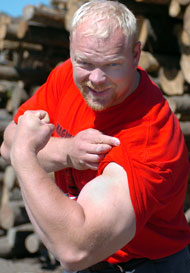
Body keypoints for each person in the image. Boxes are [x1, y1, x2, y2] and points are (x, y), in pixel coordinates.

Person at [1, 1, 190, 272]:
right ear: (71, 49)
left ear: (136, 54)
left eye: (113, 64)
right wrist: (67, 152)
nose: (96, 79)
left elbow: (74, 248)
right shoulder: (67, 75)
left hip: (146, 265)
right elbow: (8, 144)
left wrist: (26, 153)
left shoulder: (149, 137)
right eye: (85, 62)